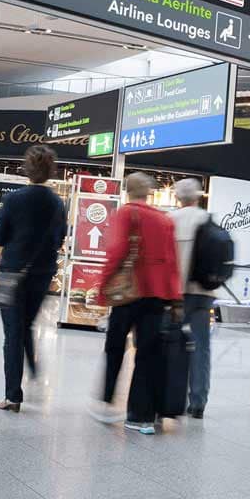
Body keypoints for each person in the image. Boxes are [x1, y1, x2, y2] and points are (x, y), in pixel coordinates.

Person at [92, 172, 182, 434]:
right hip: (157, 295)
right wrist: (175, 297)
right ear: (149, 192)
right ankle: (140, 416)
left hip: (128, 294)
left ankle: (107, 401)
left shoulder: (126, 214)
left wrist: (103, 288)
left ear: (127, 190)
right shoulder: (164, 220)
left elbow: (117, 252)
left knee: (114, 348)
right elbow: (172, 261)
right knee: (147, 354)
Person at [0, 145, 67, 412]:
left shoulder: (13, 199)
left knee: (13, 333)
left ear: (27, 168)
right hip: (42, 273)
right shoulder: (58, 203)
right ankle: (34, 369)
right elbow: (59, 240)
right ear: (51, 170)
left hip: (12, 273)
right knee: (26, 325)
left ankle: (13, 396)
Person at [169, 178, 213, 419]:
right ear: (198, 196)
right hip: (204, 293)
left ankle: (169, 397)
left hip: (175, 293)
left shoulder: (170, 221)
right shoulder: (207, 219)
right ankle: (198, 402)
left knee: (170, 344)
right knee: (201, 348)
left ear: (178, 197)